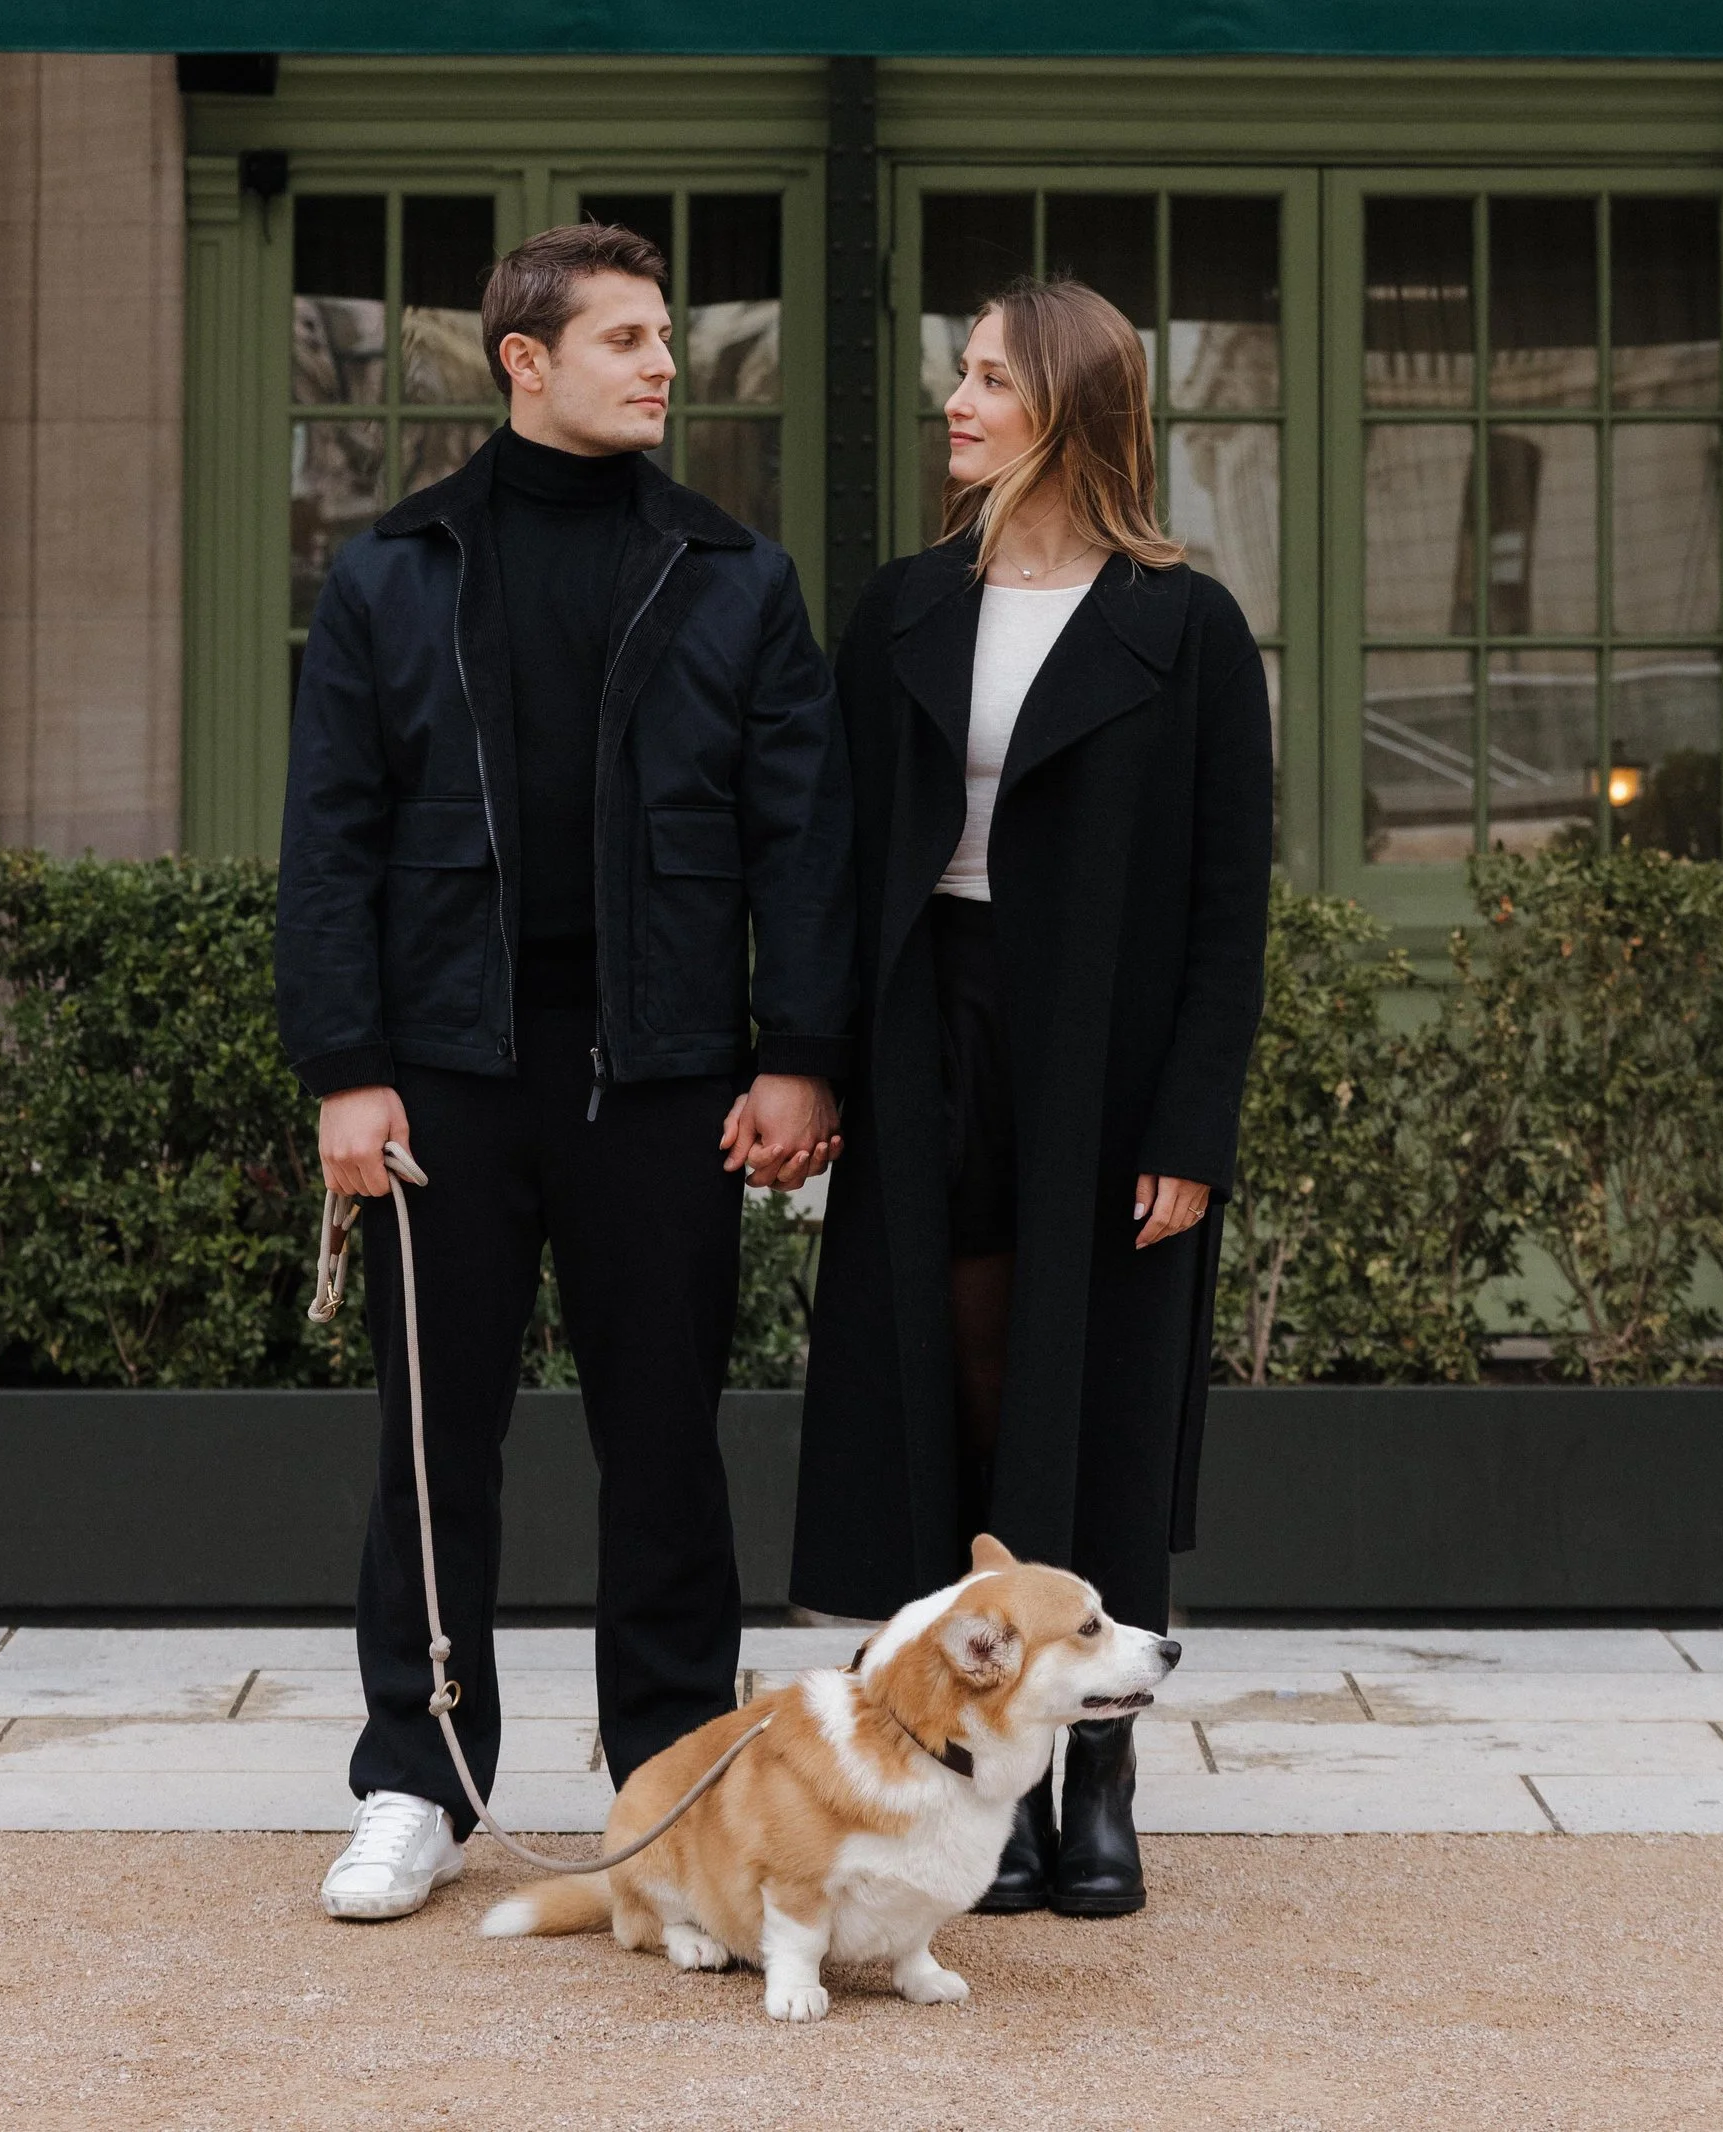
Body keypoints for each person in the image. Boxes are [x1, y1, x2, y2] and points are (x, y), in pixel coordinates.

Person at [278, 220, 852, 1923]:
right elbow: (331, 844)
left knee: (667, 1442)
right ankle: (417, 1779)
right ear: (524, 361)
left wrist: (802, 1056)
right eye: (626, 339)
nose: (664, 363)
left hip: (667, 1078)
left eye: (667, 335)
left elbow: (800, 842)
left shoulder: (734, 575)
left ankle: (671, 1786)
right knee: (433, 1445)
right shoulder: (392, 571)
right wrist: (344, 1068)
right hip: (442, 1082)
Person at [791, 275, 1271, 1922]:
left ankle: (1106, 1770)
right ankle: (962, 1769)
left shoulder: (1184, 625)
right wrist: (816, 1056)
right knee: (960, 1395)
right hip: (934, 1027)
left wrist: (1190, 1127)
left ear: (1069, 404)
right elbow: (841, 854)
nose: (958, 400)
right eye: (960, 374)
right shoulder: (909, 605)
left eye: (990, 377)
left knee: (1105, 1400)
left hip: (1111, 1057)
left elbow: (1228, 904)